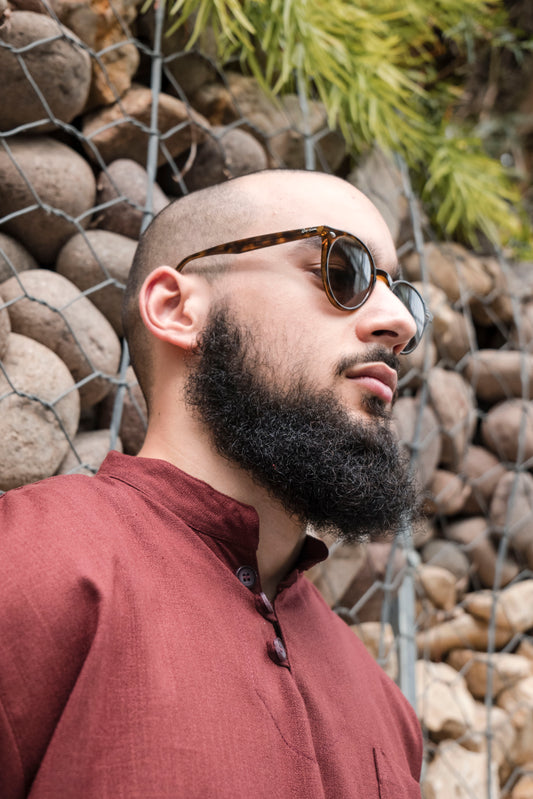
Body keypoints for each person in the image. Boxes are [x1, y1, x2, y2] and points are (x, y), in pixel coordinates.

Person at [0, 169, 428, 798]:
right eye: (342, 271)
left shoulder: (388, 711)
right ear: (177, 309)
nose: (399, 325)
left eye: (404, 297)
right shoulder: (24, 569)